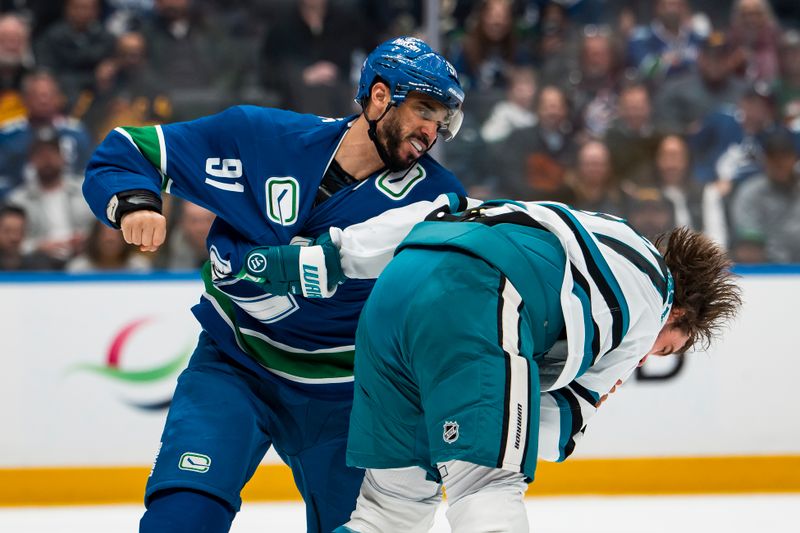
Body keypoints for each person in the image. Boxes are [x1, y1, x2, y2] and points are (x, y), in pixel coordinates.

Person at [80, 36, 466, 533]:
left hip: (350, 400)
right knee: (182, 517)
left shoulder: (437, 200)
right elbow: (127, 152)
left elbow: (453, 306)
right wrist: (133, 202)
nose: (430, 132)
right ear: (377, 96)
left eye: (442, 121)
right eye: (423, 110)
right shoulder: (260, 139)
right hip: (236, 367)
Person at [234, 193, 741, 532]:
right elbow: (554, 426)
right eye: (668, 346)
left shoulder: (582, 223)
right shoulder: (651, 302)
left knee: (389, 511)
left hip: (394, 290)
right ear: (678, 312)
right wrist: (471, 432)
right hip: (476, 300)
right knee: (486, 482)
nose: (653, 353)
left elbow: (447, 210)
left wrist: (328, 256)